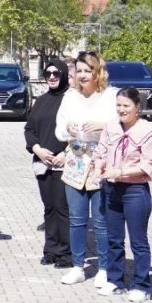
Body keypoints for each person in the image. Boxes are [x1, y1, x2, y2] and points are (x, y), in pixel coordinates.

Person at [50, 52, 119, 288]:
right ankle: (78, 267)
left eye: (87, 70)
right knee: (77, 220)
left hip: (101, 164)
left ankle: (103, 268)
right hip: (75, 162)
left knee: (100, 221)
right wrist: (68, 127)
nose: (82, 75)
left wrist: (103, 126)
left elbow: (121, 127)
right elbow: (59, 131)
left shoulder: (110, 96)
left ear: (97, 71)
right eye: (79, 70)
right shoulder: (70, 97)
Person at [93, 87, 152, 302]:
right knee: (114, 239)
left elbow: (149, 164)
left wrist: (121, 172)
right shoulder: (111, 126)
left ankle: (142, 285)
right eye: (119, 105)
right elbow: (101, 150)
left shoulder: (148, 131)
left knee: (138, 241)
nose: (121, 110)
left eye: (126, 106)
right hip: (111, 188)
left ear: (137, 107)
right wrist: (98, 167)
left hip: (135, 191)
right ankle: (116, 281)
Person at [23, 59, 71, 268]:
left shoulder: (72, 100)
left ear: (63, 75)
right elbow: (29, 129)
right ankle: (50, 249)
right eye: (48, 73)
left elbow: (79, 132)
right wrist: (37, 149)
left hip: (64, 162)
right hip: (43, 162)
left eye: (56, 73)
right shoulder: (41, 101)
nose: (52, 77)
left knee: (62, 207)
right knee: (49, 207)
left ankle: (65, 253)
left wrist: (66, 153)